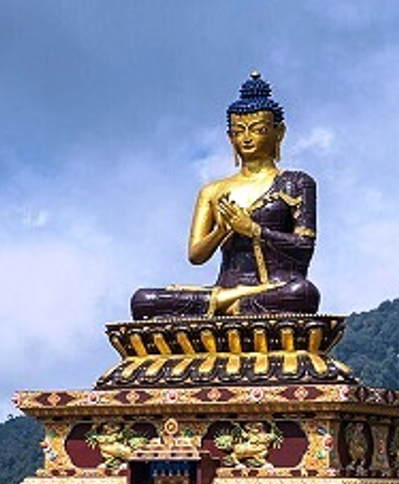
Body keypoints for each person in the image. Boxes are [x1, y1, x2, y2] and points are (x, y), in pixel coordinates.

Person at [132, 73, 319, 319]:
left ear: (279, 132)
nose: (247, 138)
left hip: (276, 288)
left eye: (258, 129)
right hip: (225, 288)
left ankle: (225, 307)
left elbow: (304, 247)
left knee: (303, 294)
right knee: (143, 300)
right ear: (230, 136)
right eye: (239, 131)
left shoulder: (296, 183)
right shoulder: (212, 191)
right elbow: (196, 256)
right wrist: (220, 231)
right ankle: (226, 302)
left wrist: (253, 230)